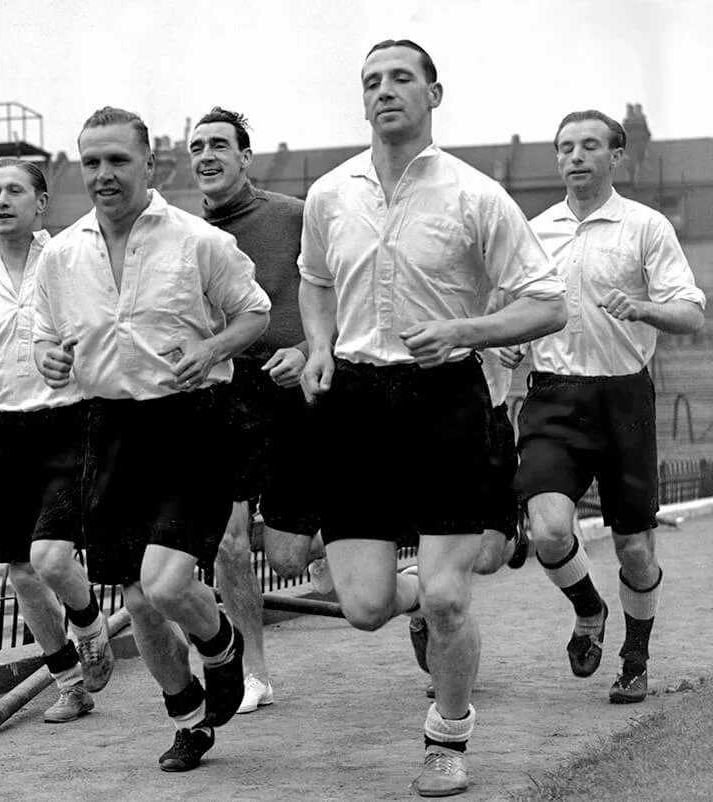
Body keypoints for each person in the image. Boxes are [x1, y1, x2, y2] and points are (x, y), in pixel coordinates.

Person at [298, 40, 567, 796]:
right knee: (364, 607)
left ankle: (447, 739)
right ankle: (414, 591)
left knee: (452, 598)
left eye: (401, 78)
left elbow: (549, 303)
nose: (384, 90)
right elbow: (314, 281)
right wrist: (318, 346)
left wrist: (462, 331)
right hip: (356, 405)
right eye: (371, 81)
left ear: (433, 94)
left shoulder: (477, 195)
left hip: (445, 398)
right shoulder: (329, 194)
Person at [33, 107, 271, 772]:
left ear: (150, 164)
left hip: (192, 423)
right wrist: (50, 359)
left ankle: (220, 645)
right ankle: (188, 719)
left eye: (118, 160)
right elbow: (45, 338)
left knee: (165, 586)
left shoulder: (198, 241)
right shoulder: (61, 255)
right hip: (108, 429)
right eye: (92, 162)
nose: (104, 174)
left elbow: (255, 312)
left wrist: (213, 347)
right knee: (138, 599)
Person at [514, 109, 705, 704]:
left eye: (590, 146)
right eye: (565, 147)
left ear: (616, 156)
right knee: (549, 531)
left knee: (636, 548)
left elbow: (691, 312)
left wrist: (644, 308)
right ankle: (588, 608)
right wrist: (508, 344)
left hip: (623, 399)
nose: (575, 156)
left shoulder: (646, 226)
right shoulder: (535, 231)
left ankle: (635, 657)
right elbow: (518, 306)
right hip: (552, 398)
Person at [0, 158, 114, 725]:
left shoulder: (70, 259)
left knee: (51, 557)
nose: (1, 200)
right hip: (7, 430)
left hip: (70, 421)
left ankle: (90, 627)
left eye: (14, 190)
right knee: (21, 572)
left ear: (41, 203)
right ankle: (70, 685)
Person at [188, 106, 326, 715]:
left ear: (245, 156)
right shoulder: (185, 236)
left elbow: (347, 293)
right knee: (228, 541)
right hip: (228, 393)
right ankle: (253, 675)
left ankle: (343, 549)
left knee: (288, 557)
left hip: (297, 386)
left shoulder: (296, 216)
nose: (207, 155)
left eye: (220, 144)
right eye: (197, 147)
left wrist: (308, 350)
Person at [408, 340, 532, 697]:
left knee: (489, 558)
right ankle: (437, 629)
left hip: (488, 416)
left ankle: (513, 534)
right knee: (440, 551)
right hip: (422, 419)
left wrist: (518, 344)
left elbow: (536, 313)